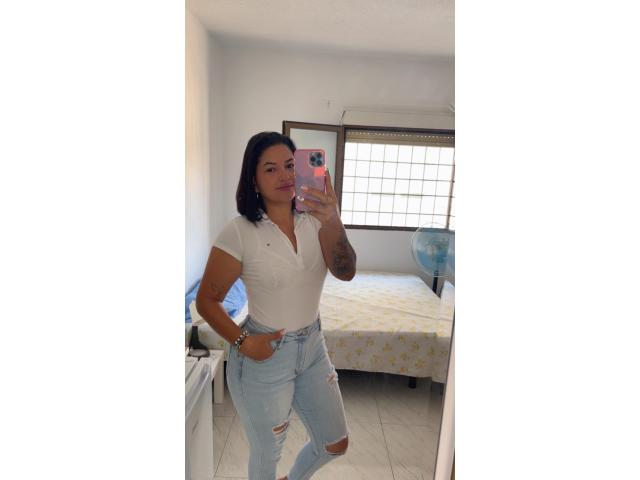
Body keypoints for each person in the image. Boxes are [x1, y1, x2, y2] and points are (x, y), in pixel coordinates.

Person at [196, 131, 357, 480]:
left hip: (313, 346)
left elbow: (346, 272)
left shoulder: (317, 219)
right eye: (270, 169)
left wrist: (332, 219)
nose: (284, 175)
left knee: (335, 442)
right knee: (268, 453)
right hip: (264, 354)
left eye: (290, 165)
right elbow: (207, 300)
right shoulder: (240, 232)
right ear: (253, 180)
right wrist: (243, 342)